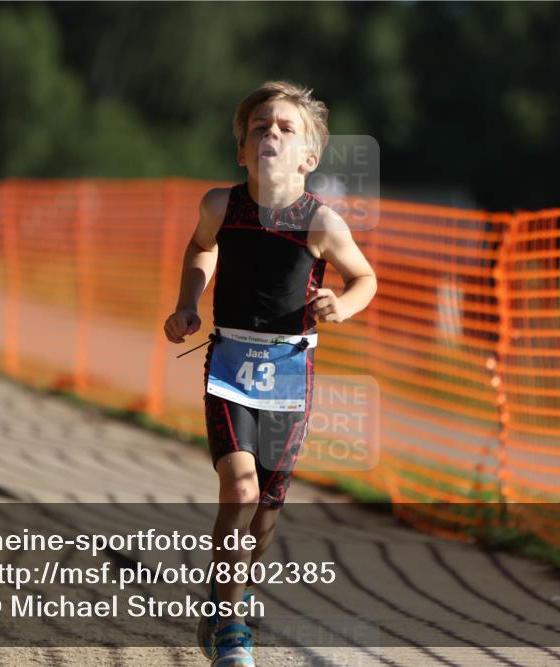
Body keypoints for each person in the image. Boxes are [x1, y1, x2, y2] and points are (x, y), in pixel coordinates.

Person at [163, 80, 377, 667]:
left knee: (271, 502)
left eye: (286, 128)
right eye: (259, 127)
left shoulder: (321, 223)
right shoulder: (220, 205)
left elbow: (365, 278)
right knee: (241, 486)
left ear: (309, 157)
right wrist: (189, 302)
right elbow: (200, 248)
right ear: (241, 150)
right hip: (231, 361)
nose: (271, 135)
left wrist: (345, 305)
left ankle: (235, 589)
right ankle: (229, 621)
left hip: (290, 371)